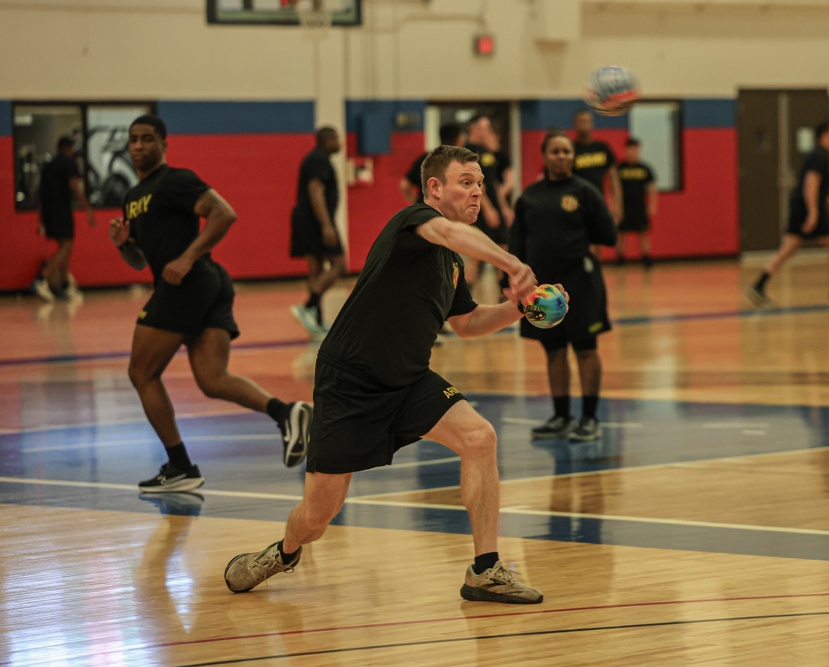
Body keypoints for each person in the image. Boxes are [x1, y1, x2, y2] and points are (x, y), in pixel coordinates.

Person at [224, 145, 545, 604]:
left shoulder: (451, 262)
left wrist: (519, 307)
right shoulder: (413, 222)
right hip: (351, 381)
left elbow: (467, 323)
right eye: (466, 183)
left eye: (480, 185)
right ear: (434, 188)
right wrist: (513, 265)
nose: (477, 193)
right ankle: (282, 553)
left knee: (480, 437)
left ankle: (485, 570)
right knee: (318, 516)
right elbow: (451, 234)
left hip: (409, 378)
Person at [108, 114, 313, 493]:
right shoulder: (132, 197)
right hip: (204, 285)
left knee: (141, 373)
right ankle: (287, 413)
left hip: (190, 282)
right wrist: (125, 244)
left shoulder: (175, 180)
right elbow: (140, 261)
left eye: (147, 139)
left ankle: (181, 466)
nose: (138, 146)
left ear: (164, 144)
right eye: (133, 139)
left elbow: (224, 213)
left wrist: (187, 257)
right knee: (212, 379)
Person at [509, 130, 618, 442]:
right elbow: (517, 245)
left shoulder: (585, 192)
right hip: (540, 289)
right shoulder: (528, 197)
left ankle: (589, 418)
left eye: (567, 151)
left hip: (581, 283)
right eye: (556, 151)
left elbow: (608, 234)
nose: (562, 157)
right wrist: (513, 283)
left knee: (585, 348)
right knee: (553, 351)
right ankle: (560, 416)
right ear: (544, 156)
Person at [746, 121, 829, 308]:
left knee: (789, 248)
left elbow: (819, 189)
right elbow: (810, 184)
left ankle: (759, 285)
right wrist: (813, 212)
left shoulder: (821, 155)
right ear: (825, 135)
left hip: (805, 206)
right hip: (807, 208)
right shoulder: (819, 155)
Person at [289, 127, 345, 336]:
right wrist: (326, 224)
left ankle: (318, 319)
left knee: (317, 270)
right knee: (340, 264)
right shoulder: (319, 160)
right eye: (337, 138)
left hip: (307, 220)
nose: (340, 142)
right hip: (314, 221)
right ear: (327, 140)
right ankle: (308, 306)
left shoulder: (315, 158)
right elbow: (315, 190)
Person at [33, 136, 96, 301]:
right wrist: (88, 209)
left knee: (64, 245)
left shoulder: (48, 165)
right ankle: (42, 279)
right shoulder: (69, 163)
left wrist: (40, 220)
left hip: (48, 211)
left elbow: (40, 194)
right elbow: (75, 187)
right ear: (69, 148)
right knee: (67, 245)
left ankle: (64, 284)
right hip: (61, 209)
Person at [464, 114, 512, 292]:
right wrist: (488, 209)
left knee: (503, 251)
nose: (488, 131)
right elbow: (476, 185)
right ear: (474, 128)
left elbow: (493, 183)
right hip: (481, 210)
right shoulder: (468, 152)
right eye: (485, 127)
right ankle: (465, 298)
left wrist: (504, 208)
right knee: (476, 254)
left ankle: (504, 294)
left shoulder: (488, 152)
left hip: (495, 208)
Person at [571, 110, 623, 225]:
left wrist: (617, 205)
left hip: (597, 200)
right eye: (581, 121)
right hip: (576, 202)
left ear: (592, 124)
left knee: (596, 238)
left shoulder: (602, 148)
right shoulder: (570, 149)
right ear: (574, 124)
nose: (584, 124)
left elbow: (614, 179)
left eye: (587, 121)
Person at [398, 122, 467, 205]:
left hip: (425, 209)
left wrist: (416, 204)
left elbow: (405, 185)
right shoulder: (460, 161)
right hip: (448, 211)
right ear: (458, 139)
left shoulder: (426, 158)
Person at [615, 137, 657, 267]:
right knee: (621, 233)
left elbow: (651, 188)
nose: (631, 152)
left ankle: (646, 257)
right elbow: (614, 188)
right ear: (626, 150)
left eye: (634, 149)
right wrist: (615, 206)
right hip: (624, 206)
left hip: (640, 206)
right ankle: (621, 258)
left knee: (643, 232)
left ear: (638, 150)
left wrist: (652, 204)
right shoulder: (620, 168)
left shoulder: (645, 169)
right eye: (629, 149)